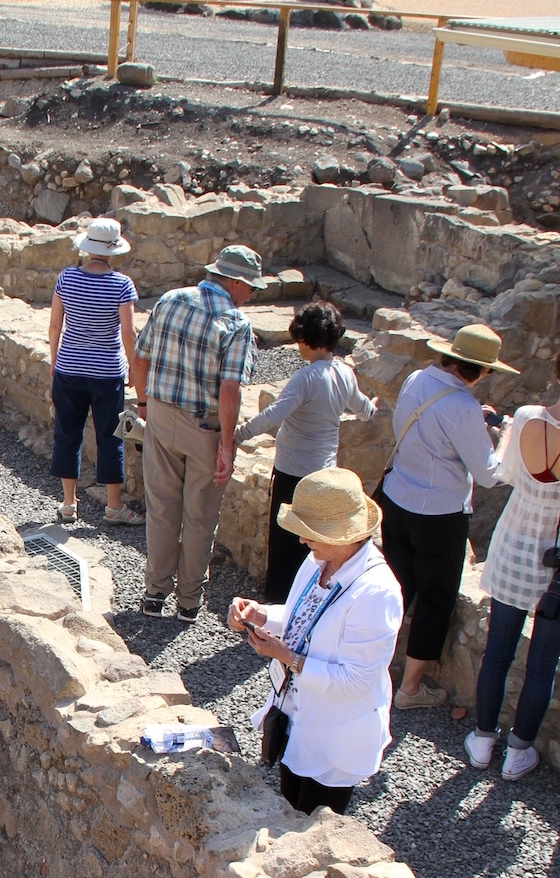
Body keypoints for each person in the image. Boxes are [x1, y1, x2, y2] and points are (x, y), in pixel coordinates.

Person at [229, 467, 404, 816]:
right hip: (296, 715)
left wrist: (288, 657)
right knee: (288, 804)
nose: (301, 541)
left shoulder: (378, 593)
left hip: (334, 737)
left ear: (343, 535)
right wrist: (262, 615)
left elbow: (356, 682)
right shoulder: (316, 559)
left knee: (312, 822)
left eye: (310, 533)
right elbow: (301, 616)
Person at [377, 322, 516, 711]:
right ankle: (410, 688)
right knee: (436, 599)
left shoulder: (418, 380)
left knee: (396, 589)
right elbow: (489, 474)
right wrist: (502, 436)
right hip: (439, 514)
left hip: (398, 497)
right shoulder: (464, 408)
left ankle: (373, 665)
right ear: (480, 370)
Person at [131, 243, 261, 622]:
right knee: (200, 515)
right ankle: (188, 601)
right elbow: (229, 389)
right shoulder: (236, 323)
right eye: (251, 287)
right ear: (236, 283)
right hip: (203, 424)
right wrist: (226, 446)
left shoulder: (171, 300)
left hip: (160, 413)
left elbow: (140, 359)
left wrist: (143, 405)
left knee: (162, 508)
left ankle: (155, 593)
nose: (252, 295)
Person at [235, 300, 377, 602]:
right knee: (315, 543)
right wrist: (374, 406)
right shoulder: (344, 374)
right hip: (324, 471)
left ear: (306, 338)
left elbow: (274, 414)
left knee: (286, 543)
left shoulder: (306, 378)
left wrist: (240, 434)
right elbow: (364, 410)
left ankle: (278, 603)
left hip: (293, 472)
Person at [463, 352, 560, 782]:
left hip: (514, 541)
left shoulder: (525, 416)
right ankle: (517, 752)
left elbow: (503, 472)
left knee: (498, 650)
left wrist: (502, 434)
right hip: (554, 557)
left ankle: (484, 741)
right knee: (543, 661)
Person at [48, 216, 142, 527]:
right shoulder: (121, 284)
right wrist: (131, 363)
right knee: (110, 437)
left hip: (69, 367)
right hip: (106, 372)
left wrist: (54, 359)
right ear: (113, 250)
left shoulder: (67, 278)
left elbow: (55, 326)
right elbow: (128, 332)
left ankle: (68, 503)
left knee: (67, 433)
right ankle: (113, 505)